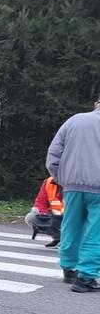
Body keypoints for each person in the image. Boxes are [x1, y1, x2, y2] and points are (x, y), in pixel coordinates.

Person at [46, 95, 100, 292]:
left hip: (72, 185)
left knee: (71, 225)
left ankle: (69, 269)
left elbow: (53, 153)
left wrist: (60, 177)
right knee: (96, 232)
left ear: (96, 104)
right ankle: (86, 277)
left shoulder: (75, 120)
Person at [25, 176, 63, 248]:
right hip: (57, 216)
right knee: (32, 218)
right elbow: (40, 202)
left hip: (74, 217)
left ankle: (73, 240)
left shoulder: (74, 182)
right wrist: (42, 214)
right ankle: (59, 238)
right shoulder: (48, 182)